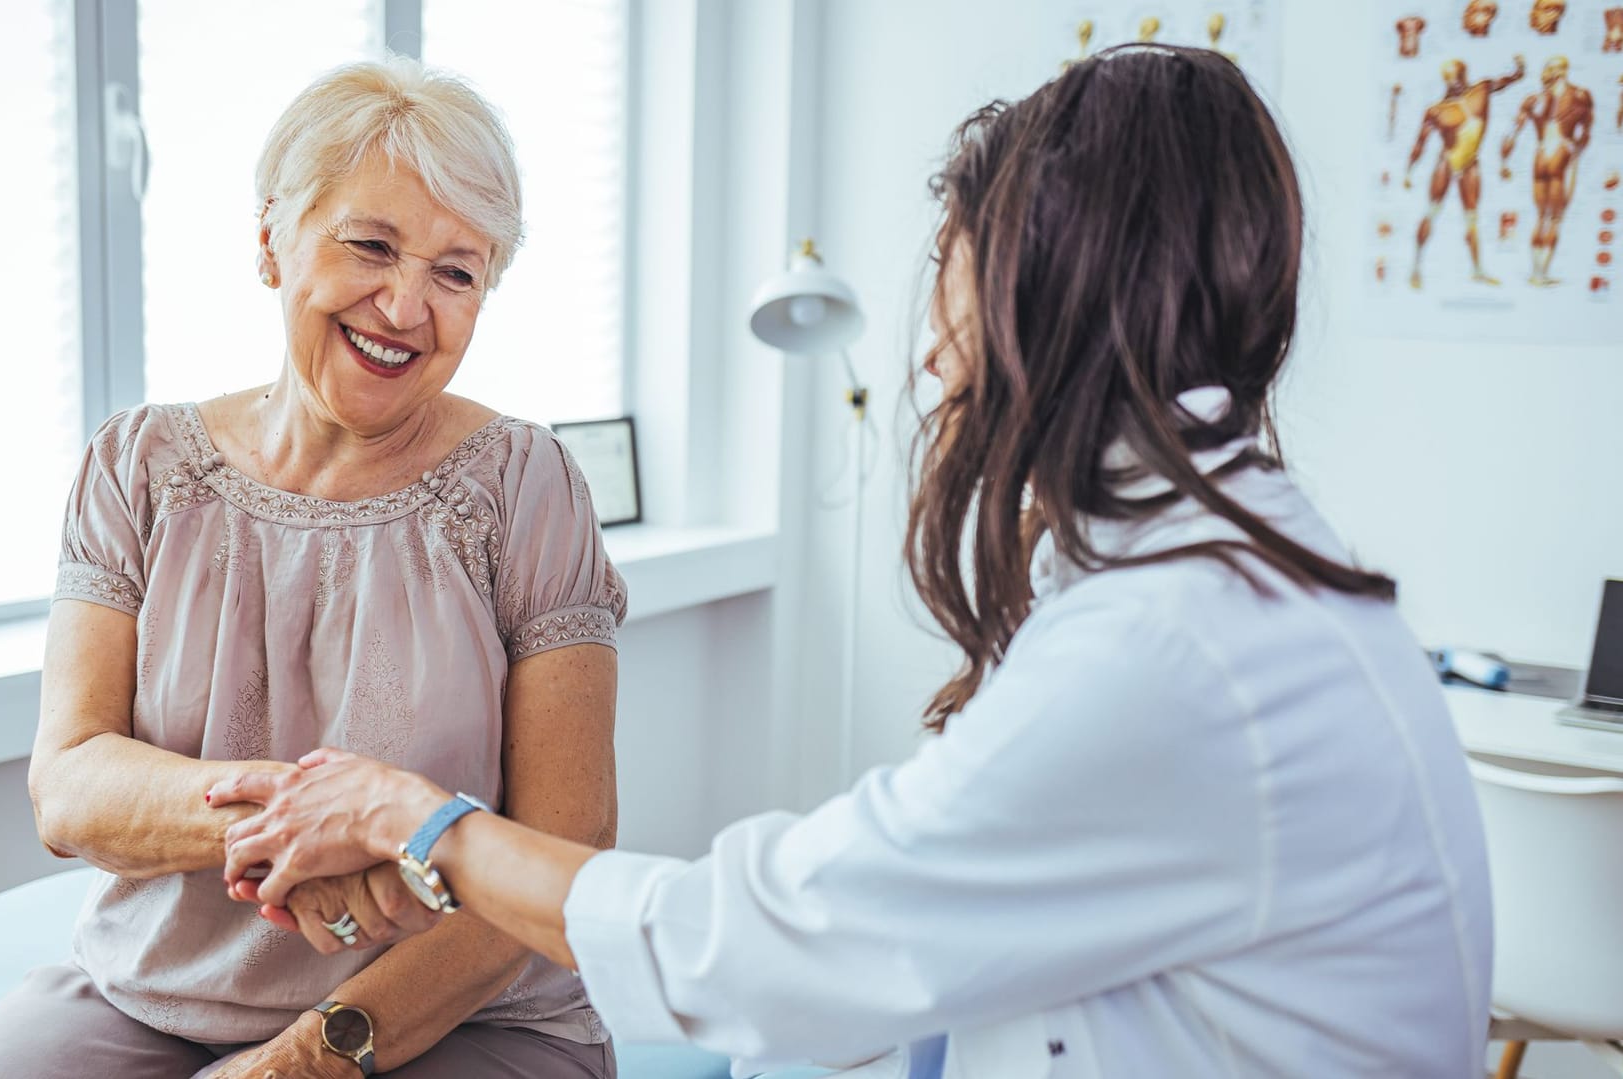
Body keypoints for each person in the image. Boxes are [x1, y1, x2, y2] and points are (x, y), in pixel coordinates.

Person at [209, 46, 1494, 1079]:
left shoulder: (1172, 643)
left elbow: (771, 942)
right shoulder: (1207, 574)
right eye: (368, 247)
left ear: (1041, 285)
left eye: (951, 265)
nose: (931, 351)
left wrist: (412, 817)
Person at [0, 58, 626, 1079]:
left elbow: (569, 843)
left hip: (472, 1008)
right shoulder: (138, 465)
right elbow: (71, 785)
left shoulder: (529, 486)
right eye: (371, 245)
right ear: (272, 241)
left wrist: (311, 1052)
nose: (404, 304)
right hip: (151, 996)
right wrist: (309, 822)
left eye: (456, 270)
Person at [1406, 56, 1528, 288]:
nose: (1455, 80)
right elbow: (1420, 143)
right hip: (1447, 161)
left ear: (1464, 73)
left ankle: (1477, 270)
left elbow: (1505, 82)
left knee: (1471, 219)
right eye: (1450, 77)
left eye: (1458, 74)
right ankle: (1415, 267)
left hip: (1470, 163)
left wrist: (1518, 72)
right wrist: (1409, 171)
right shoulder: (1437, 110)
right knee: (1431, 212)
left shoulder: (1481, 90)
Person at [1501, 56, 1595, 286]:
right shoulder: (1580, 94)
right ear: (1565, 70)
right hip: (1562, 150)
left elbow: (1512, 133)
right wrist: (1575, 153)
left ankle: (1535, 272)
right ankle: (1542, 273)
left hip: (1541, 154)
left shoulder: (1533, 99)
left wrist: (1504, 162)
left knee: (1541, 216)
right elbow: (1585, 132)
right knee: (1555, 218)